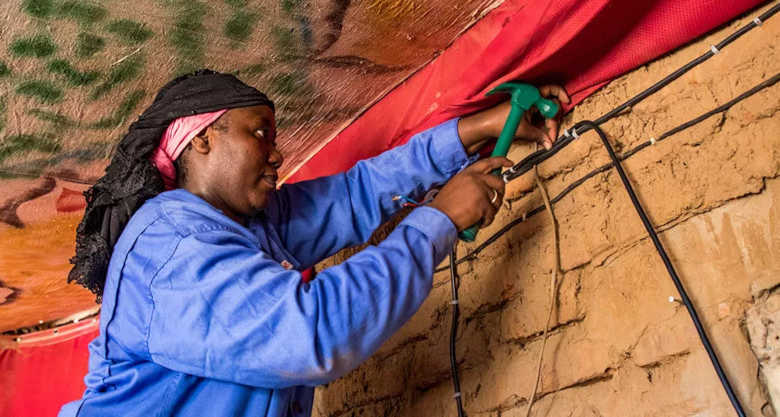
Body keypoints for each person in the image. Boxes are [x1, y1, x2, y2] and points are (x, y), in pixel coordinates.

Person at [60, 70, 569, 416]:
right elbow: (310, 334)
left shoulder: (249, 224)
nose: (277, 153)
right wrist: (439, 219)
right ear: (201, 139)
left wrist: (474, 128)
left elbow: (355, 195)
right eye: (259, 133)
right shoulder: (169, 248)